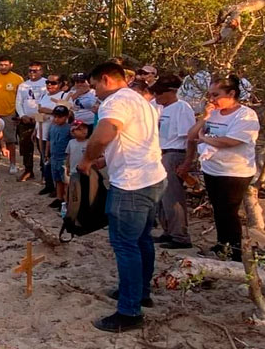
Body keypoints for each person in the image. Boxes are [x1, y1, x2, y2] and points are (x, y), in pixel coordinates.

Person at [78, 62, 167, 333]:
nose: (94, 93)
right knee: (141, 240)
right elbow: (131, 139)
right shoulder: (139, 100)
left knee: (125, 245)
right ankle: (140, 292)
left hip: (131, 184)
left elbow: (105, 133)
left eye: (95, 87)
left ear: (106, 79)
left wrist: (87, 158)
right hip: (153, 177)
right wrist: (107, 159)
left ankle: (129, 311)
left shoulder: (114, 102)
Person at [179, 75, 259, 262]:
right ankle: (222, 244)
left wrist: (205, 138)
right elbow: (191, 136)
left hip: (234, 171)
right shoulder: (213, 112)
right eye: (210, 95)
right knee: (218, 209)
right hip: (212, 168)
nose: (212, 99)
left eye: (216, 95)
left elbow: (231, 141)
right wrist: (204, 119)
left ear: (231, 93)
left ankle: (235, 251)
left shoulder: (245, 115)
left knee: (229, 211)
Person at [149, 75, 196, 249]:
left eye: (160, 93)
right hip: (159, 153)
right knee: (161, 197)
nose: (157, 96)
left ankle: (180, 235)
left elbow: (190, 138)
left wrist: (187, 162)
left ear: (172, 92)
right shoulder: (159, 108)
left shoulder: (182, 108)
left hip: (174, 153)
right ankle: (167, 231)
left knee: (173, 196)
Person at [37, 75, 69, 196]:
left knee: (56, 161)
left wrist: (49, 111)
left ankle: (58, 189)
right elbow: (39, 111)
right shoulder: (44, 95)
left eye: (53, 83)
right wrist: (36, 130)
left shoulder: (64, 96)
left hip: (57, 133)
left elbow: (68, 112)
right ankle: (48, 185)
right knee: (45, 160)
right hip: (42, 131)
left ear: (60, 84)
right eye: (47, 82)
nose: (49, 85)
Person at [15, 62, 47, 181]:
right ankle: (28, 170)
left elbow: (47, 101)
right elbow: (18, 102)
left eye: (35, 70)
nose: (32, 73)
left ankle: (45, 171)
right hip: (26, 119)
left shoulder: (46, 83)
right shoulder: (23, 85)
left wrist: (37, 115)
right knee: (25, 145)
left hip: (41, 119)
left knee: (42, 146)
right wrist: (22, 115)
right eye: (30, 71)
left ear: (41, 71)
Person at [48, 106, 72, 209]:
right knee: (57, 180)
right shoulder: (52, 126)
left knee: (65, 181)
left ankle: (67, 201)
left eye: (60, 117)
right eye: (55, 116)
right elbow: (49, 140)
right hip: (54, 157)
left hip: (63, 158)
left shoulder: (69, 129)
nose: (57, 119)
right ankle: (59, 198)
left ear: (66, 117)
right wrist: (46, 153)